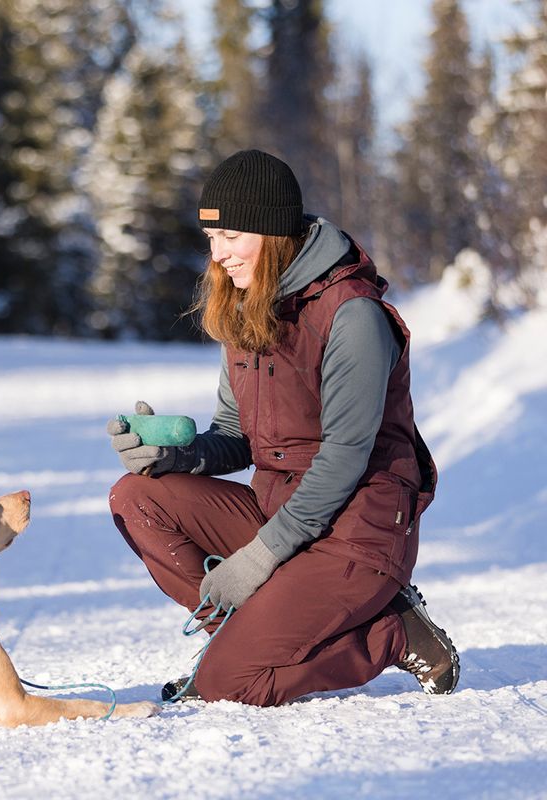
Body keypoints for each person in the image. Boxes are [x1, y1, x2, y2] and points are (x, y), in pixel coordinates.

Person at [106, 149, 460, 707]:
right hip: (282, 515)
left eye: (231, 237)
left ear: (272, 232)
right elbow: (236, 433)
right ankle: (253, 638)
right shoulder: (248, 305)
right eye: (212, 240)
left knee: (229, 685)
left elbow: (344, 457)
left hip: (358, 532)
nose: (218, 257)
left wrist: (258, 557)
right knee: (137, 497)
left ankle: (389, 632)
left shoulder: (353, 315)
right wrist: (174, 457)